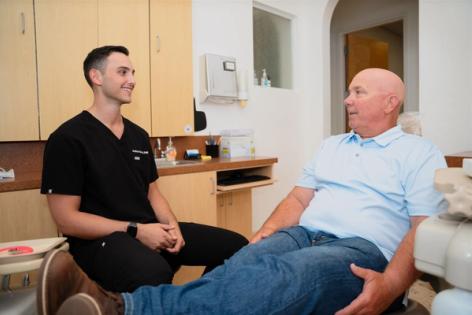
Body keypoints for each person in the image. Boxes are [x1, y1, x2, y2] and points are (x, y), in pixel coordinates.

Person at [38, 68, 447, 315]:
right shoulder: (333, 145)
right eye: (349, 91)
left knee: (285, 275)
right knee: (242, 263)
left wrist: (392, 286)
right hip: (304, 233)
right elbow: (298, 200)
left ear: (390, 101)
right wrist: (264, 236)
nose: (347, 99)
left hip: (360, 249)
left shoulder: (419, 153)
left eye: (358, 92)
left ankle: (125, 307)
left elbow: (423, 229)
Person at [40, 45, 248, 294]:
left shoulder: (138, 135)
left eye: (133, 72)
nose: (132, 80)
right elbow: (67, 220)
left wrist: (172, 226)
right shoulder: (68, 138)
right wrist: (136, 231)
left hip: (147, 228)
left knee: (235, 247)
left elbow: (153, 193)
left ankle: (196, 304)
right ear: (96, 77)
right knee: (153, 272)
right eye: (123, 72)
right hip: (99, 242)